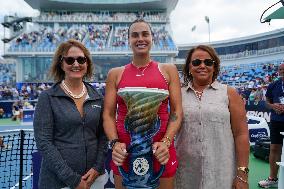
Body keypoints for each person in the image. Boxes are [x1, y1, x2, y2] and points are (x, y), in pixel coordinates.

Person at [103, 18, 183, 189]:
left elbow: (176, 111)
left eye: (145, 34)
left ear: (152, 38)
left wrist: (166, 142)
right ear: (129, 40)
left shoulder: (168, 70)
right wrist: (114, 144)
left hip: (161, 151)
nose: (140, 39)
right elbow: (108, 114)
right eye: (135, 35)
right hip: (124, 152)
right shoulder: (115, 74)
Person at [33, 39, 107, 189]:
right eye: (69, 60)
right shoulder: (47, 97)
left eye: (81, 59)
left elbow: (103, 137)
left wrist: (97, 168)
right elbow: (44, 143)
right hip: (57, 182)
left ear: (87, 63)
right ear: (61, 64)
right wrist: (73, 180)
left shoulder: (98, 96)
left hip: (94, 180)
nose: (76, 64)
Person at [175, 45, 250, 189]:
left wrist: (242, 175)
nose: (202, 66)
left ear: (214, 67)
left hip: (222, 175)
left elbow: (241, 135)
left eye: (208, 62)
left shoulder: (230, 94)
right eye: (196, 62)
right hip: (185, 175)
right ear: (189, 68)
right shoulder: (178, 95)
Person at [258, 63, 284, 188]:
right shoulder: (274, 85)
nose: (282, 71)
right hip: (276, 121)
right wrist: (274, 106)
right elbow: (267, 103)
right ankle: (272, 178)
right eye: (280, 69)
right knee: (274, 149)